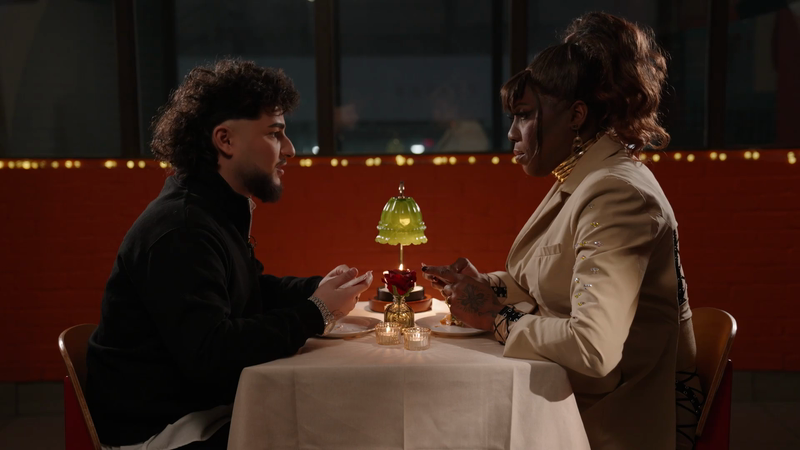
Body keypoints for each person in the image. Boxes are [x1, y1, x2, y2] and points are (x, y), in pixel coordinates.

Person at [422, 13, 703, 450]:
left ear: (576, 115)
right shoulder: (583, 177)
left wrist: (495, 317)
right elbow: (548, 281)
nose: (512, 133)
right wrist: (488, 286)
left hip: (612, 422)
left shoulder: (616, 193)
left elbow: (593, 347)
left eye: (524, 116)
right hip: (573, 401)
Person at [85, 59, 372, 449]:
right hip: (161, 430)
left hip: (195, 408)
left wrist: (318, 289)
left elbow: (246, 291)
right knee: (339, 429)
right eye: (274, 134)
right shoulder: (182, 228)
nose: (289, 149)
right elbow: (212, 355)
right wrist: (316, 311)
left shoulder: (211, 208)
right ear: (225, 140)